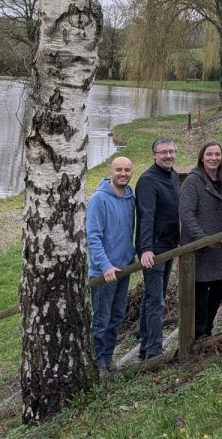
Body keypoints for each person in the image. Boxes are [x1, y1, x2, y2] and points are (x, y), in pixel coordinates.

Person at [179, 141, 222, 339]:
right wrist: (204, 239)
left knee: (219, 289)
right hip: (200, 248)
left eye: (217, 154)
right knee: (200, 294)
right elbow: (186, 214)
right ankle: (197, 334)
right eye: (209, 154)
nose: (214, 158)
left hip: (221, 247)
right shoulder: (192, 181)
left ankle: (207, 329)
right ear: (202, 158)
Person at [86, 156, 136, 372]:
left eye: (127, 170)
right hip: (103, 273)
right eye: (118, 170)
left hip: (123, 268)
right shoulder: (98, 200)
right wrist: (105, 266)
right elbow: (93, 237)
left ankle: (109, 359)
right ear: (110, 171)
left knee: (116, 317)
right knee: (101, 320)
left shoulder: (130, 197)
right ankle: (98, 364)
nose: (123, 173)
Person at [136, 138, 180, 360]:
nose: (168, 156)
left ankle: (146, 344)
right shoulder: (147, 180)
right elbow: (146, 216)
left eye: (171, 151)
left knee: (154, 295)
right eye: (163, 152)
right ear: (154, 154)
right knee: (156, 299)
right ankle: (154, 349)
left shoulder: (172, 175)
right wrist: (145, 248)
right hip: (154, 248)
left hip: (170, 244)